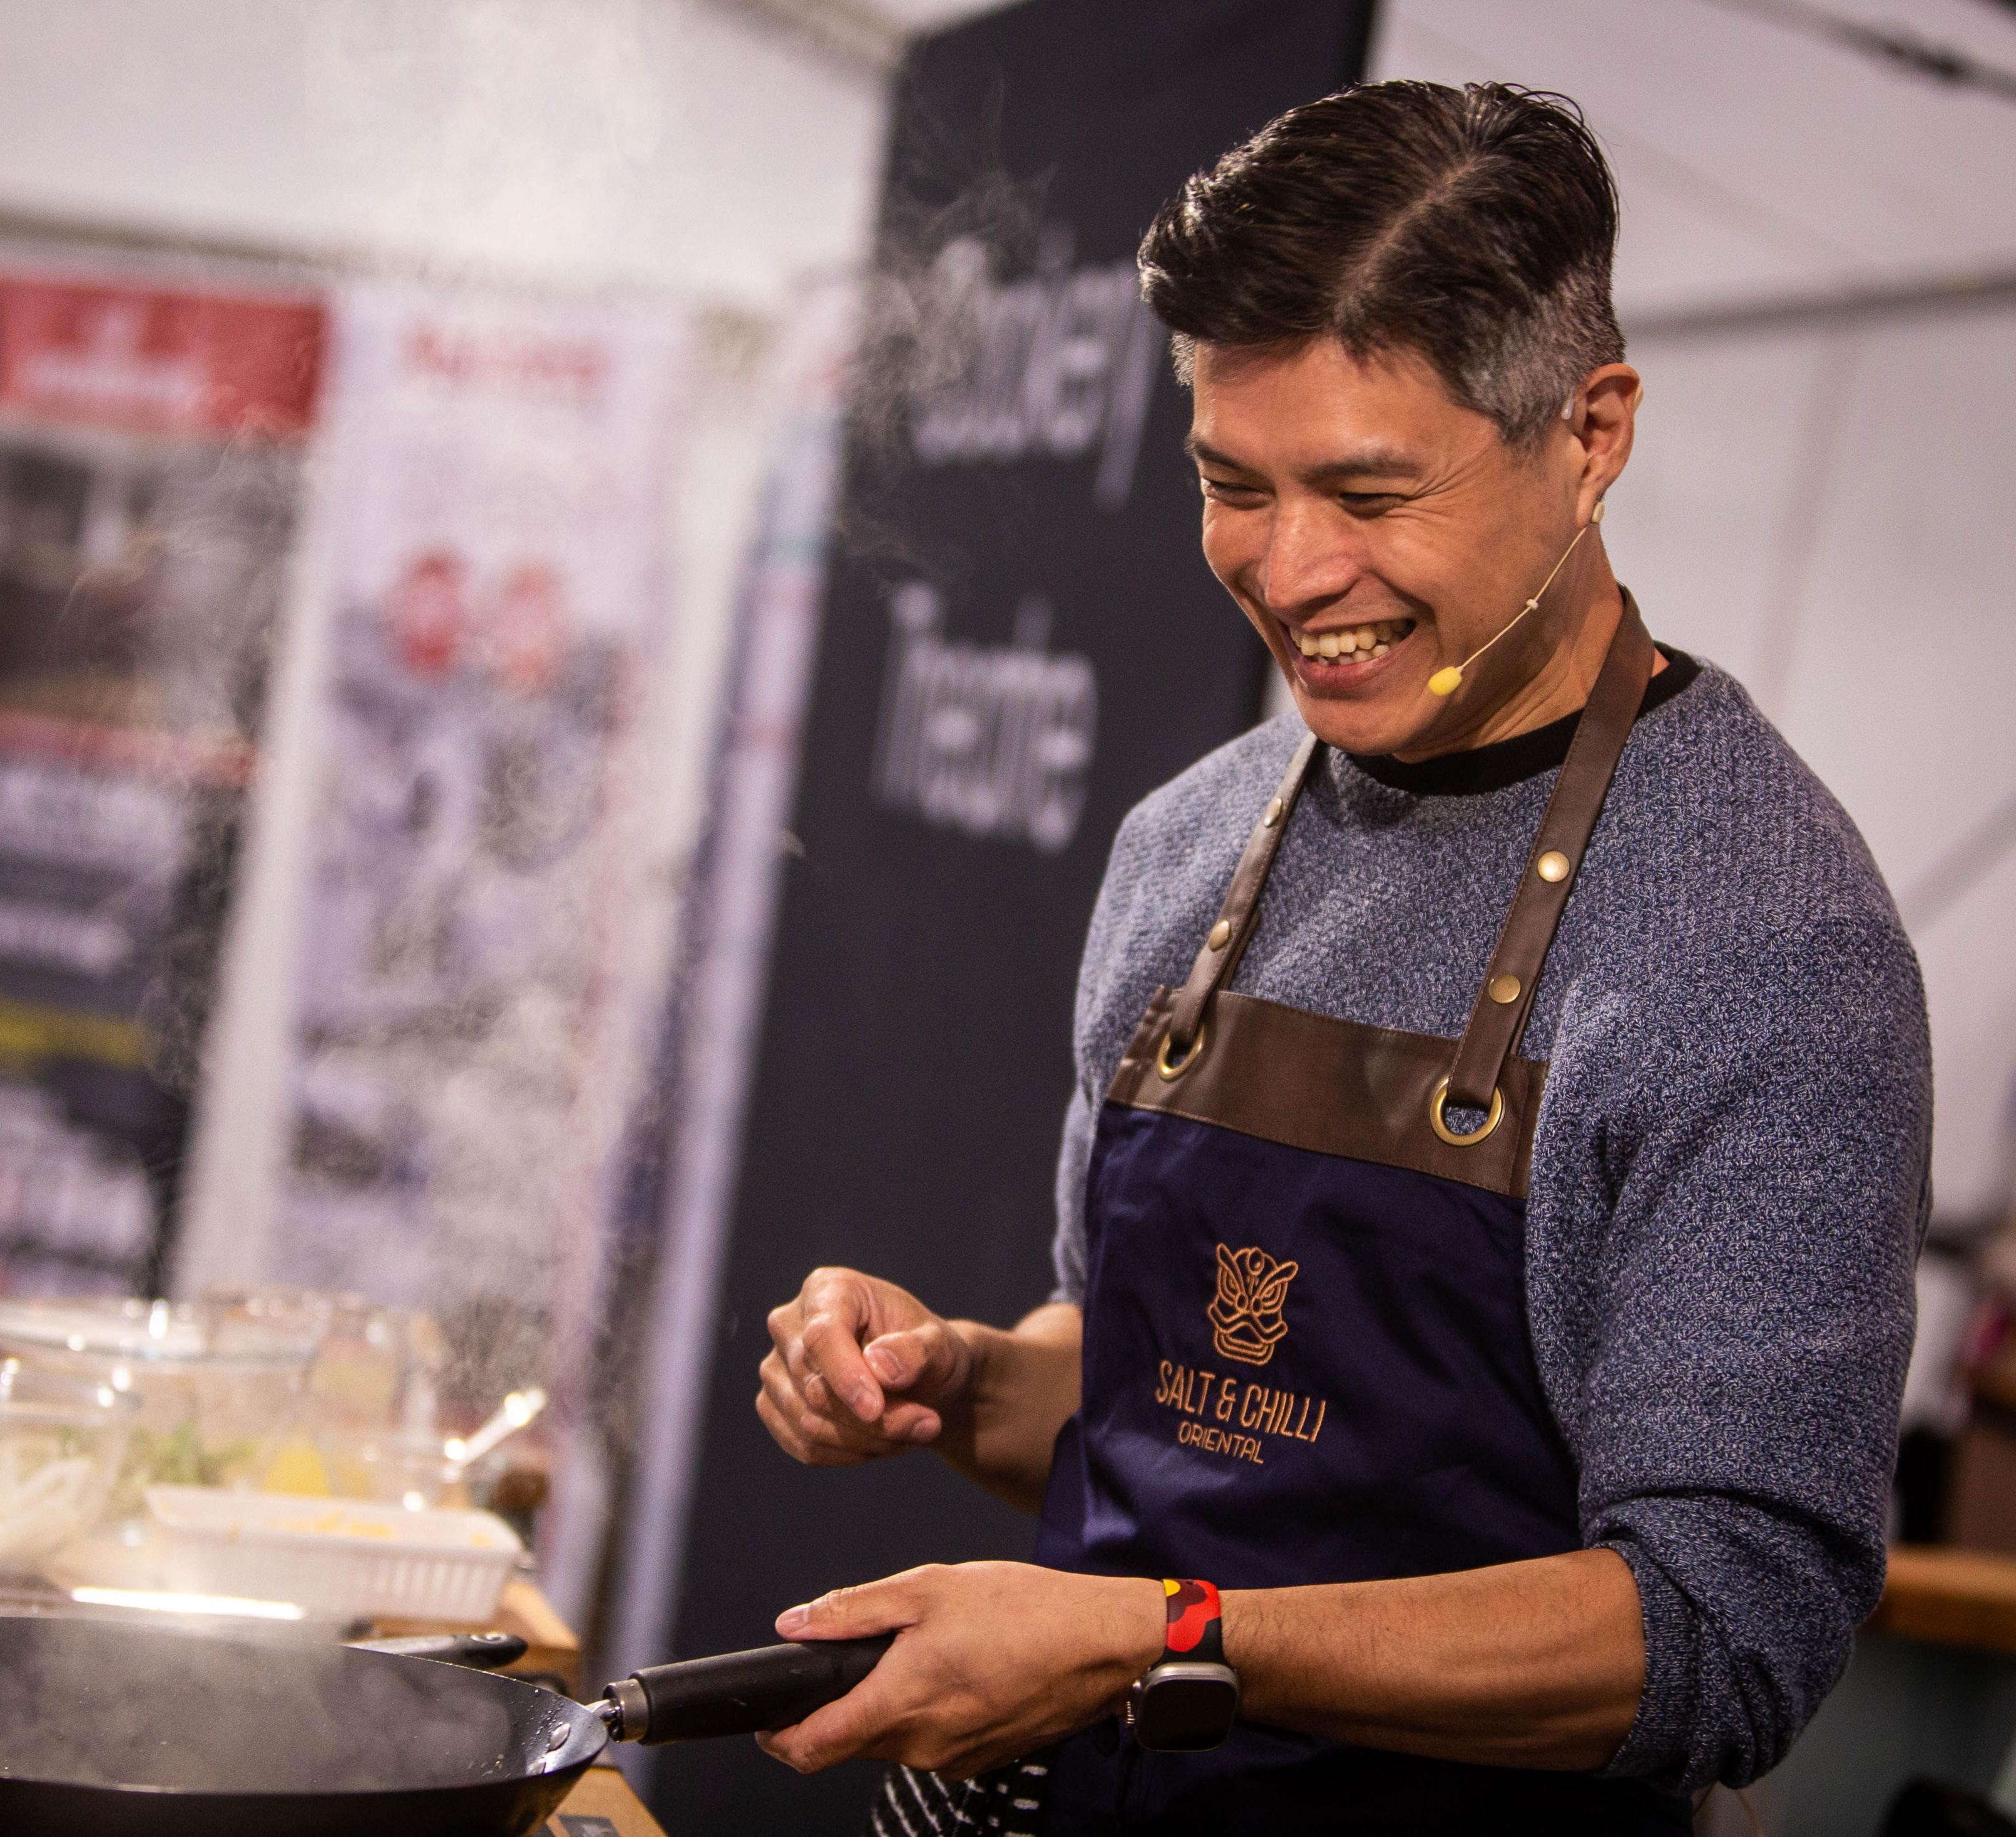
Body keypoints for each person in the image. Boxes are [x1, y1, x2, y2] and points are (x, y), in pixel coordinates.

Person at [752, 81, 1930, 1834]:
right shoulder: (1189, 843)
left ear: (1591, 434)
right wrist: (957, 1382)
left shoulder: (1761, 939)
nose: (1295, 572)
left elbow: (1723, 1630)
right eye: (1235, 483)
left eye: (1372, 491)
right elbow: (1172, 1393)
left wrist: (1161, 1641)